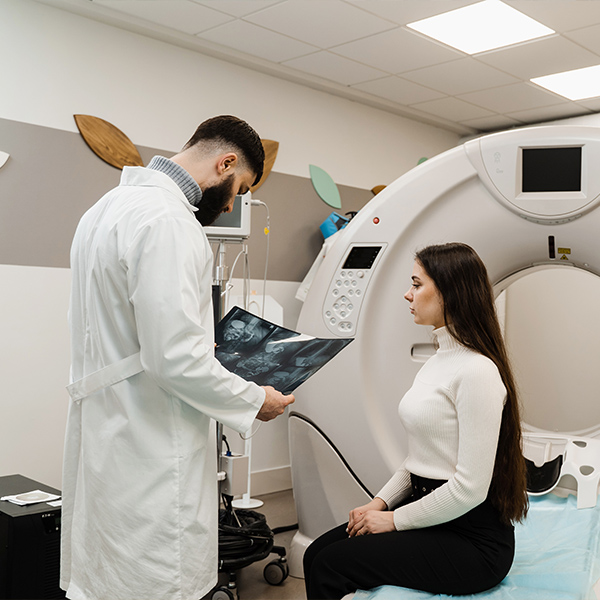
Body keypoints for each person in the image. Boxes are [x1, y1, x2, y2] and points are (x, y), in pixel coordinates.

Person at [61, 115, 295, 600]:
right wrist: (255, 400)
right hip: (150, 438)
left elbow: (129, 329)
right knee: (157, 578)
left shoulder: (104, 209)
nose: (230, 205)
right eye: (240, 189)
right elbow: (174, 359)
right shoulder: (170, 222)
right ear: (225, 163)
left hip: (111, 426)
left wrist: (199, 345)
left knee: (110, 573)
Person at [303, 242, 528, 599]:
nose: (407, 294)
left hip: (472, 541)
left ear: (450, 292)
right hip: (432, 516)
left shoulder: (477, 371)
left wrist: (393, 520)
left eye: (417, 284)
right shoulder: (438, 361)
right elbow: (419, 461)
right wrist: (379, 503)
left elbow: (469, 489)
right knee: (315, 553)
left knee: (330, 565)